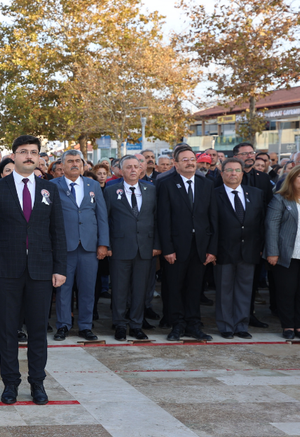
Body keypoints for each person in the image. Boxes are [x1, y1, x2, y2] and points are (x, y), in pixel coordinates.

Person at [0, 135, 66, 405]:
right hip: (6, 271)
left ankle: (37, 383)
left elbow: (58, 232)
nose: (29, 156)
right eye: (24, 152)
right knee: (7, 330)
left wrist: (60, 267)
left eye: (34, 152)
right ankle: (10, 384)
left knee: (38, 330)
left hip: (41, 271)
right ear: (13, 156)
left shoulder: (49, 189)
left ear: (40, 157)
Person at [157, 145, 217, 341]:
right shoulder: (166, 184)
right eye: (185, 159)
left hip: (200, 247)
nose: (190, 162)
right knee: (174, 288)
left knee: (195, 288)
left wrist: (211, 249)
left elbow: (212, 219)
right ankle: (177, 325)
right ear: (175, 164)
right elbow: (163, 220)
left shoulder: (206, 184)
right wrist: (168, 248)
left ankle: (193, 324)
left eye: (192, 159)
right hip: (176, 248)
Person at [50, 149, 108, 342]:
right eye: (70, 161)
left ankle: (85, 326)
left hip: (89, 247)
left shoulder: (93, 185)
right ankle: (63, 326)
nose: (75, 164)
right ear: (62, 166)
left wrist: (103, 244)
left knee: (87, 289)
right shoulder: (52, 186)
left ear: (83, 165)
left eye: (78, 161)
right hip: (64, 247)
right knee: (63, 289)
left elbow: (102, 217)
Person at [104, 155, 160, 341]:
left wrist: (157, 245)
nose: (133, 170)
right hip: (119, 248)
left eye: (136, 166)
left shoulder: (151, 189)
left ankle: (136, 324)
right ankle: (120, 324)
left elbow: (157, 220)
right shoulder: (111, 191)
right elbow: (106, 221)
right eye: (129, 167)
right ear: (121, 170)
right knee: (119, 289)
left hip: (145, 248)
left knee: (140, 289)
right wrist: (107, 245)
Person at [214, 157, 263, 339]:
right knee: (224, 290)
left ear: (242, 173)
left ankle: (241, 325)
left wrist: (260, 247)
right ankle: (226, 326)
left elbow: (260, 223)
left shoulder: (256, 194)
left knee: (245, 289)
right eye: (229, 170)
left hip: (249, 250)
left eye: (236, 170)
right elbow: (211, 225)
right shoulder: (214, 194)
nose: (233, 174)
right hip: (223, 251)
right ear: (222, 173)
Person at [265, 164, 300, 339]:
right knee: (287, 291)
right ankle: (288, 326)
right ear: (292, 179)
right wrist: (272, 252)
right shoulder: (280, 199)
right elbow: (271, 227)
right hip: (286, 254)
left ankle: (299, 325)